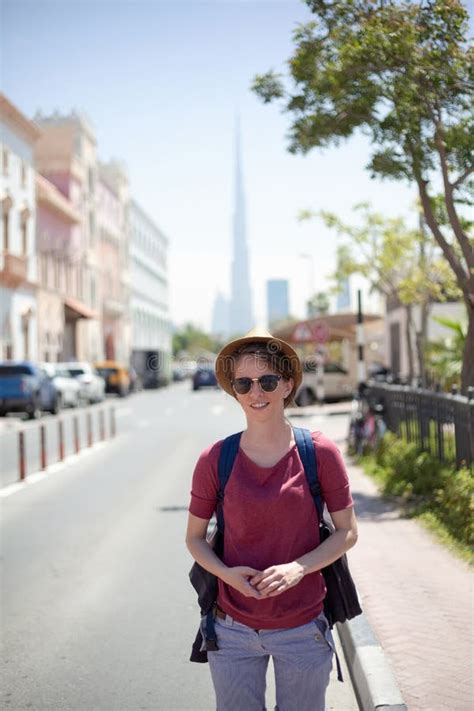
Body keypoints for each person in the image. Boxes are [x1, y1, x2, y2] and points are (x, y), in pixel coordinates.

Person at [186, 327, 358, 711]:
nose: (255, 393)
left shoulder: (319, 453)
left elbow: (347, 532)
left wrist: (299, 568)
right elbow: (195, 539)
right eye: (243, 384)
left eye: (267, 380)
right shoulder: (215, 459)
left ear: (288, 384)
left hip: (302, 628)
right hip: (230, 630)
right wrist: (228, 575)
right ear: (234, 391)